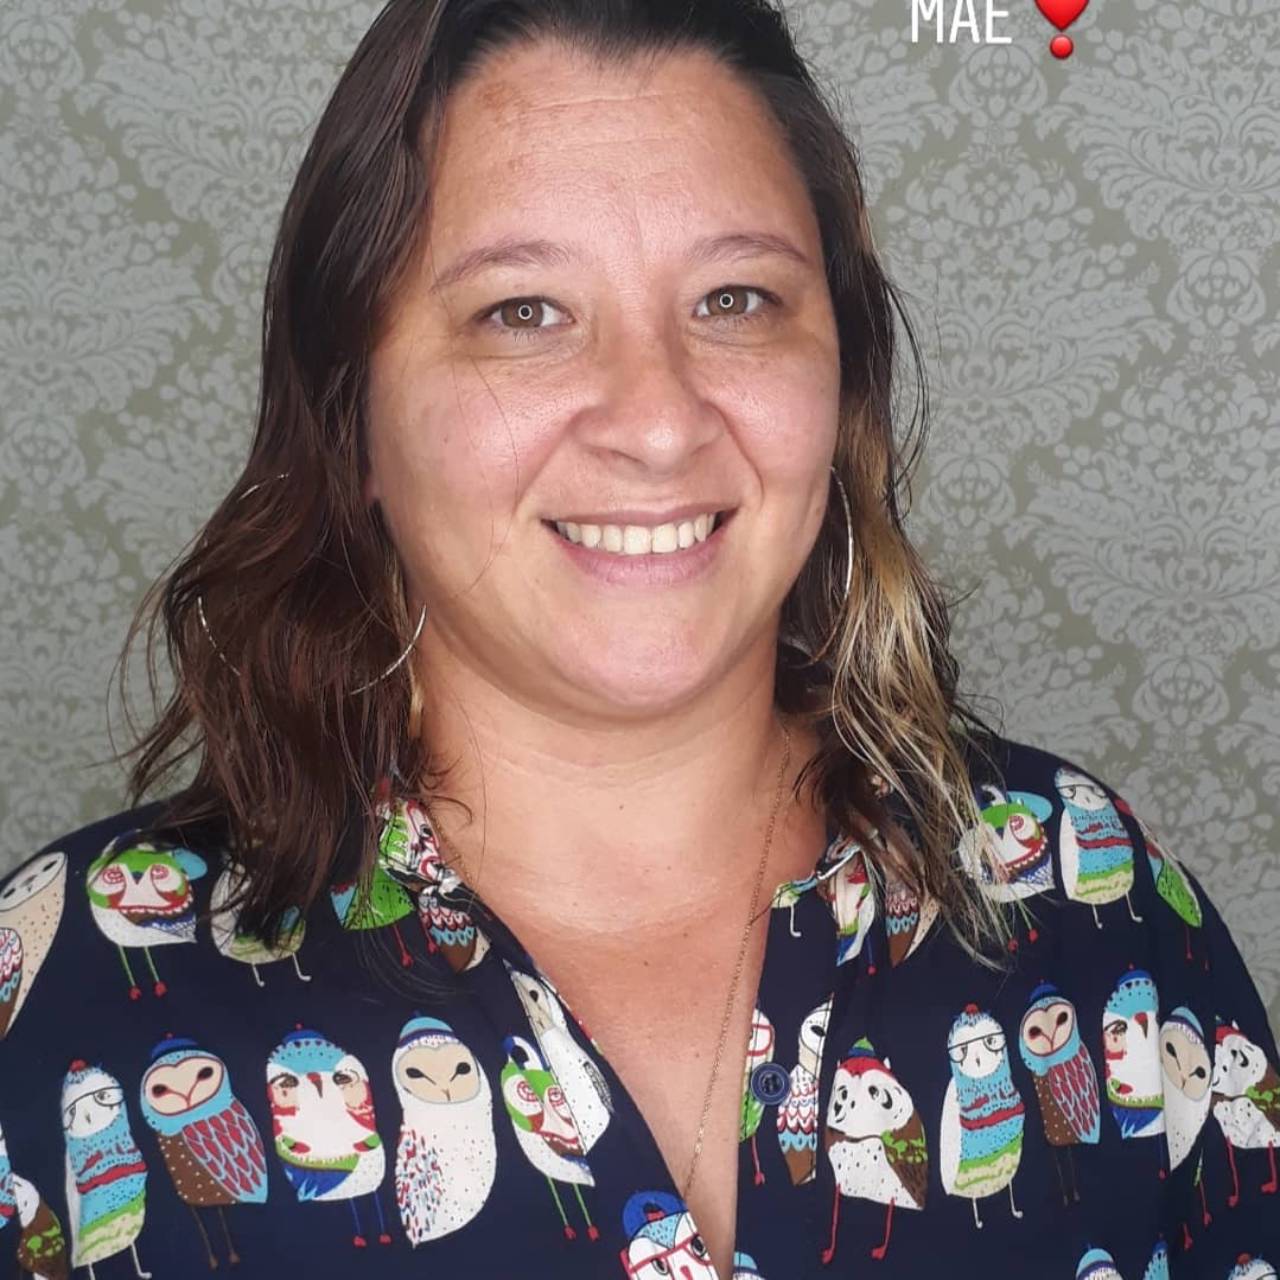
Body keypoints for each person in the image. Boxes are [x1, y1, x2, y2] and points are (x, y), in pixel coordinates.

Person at [3, 0, 1276, 1276]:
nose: (658, 421)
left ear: (839, 378)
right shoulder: (63, 996)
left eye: (735, 298)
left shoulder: (1091, 905)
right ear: (353, 420)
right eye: (522, 312)